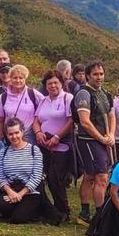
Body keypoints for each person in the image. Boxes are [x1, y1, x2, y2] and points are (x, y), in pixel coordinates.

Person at [72, 61, 116, 225]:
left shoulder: (104, 93)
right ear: (88, 76)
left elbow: (111, 116)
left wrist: (111, 134)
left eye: (101, 74)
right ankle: (100, 216)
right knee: (101, 177)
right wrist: (101, 138)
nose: (99, 77)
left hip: (102, 140)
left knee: (91, 175)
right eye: (95, 74)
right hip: (89, 141)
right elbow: (84, 122)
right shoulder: (84, 94)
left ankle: (84, 213)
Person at [33, 71, 74, 222]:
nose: (53, 86)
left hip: (61, 146)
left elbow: (71, 121)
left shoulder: (67, 98)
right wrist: (38, 132)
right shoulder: (43, 100)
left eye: (56, 82)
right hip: (44, 145)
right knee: (46, 178)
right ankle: (53, 209)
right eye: (49, 83)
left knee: (56, 179)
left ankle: (63, 210)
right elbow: (36, 119)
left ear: (61, 83)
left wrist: (57, 136)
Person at [0, 118, 47, 223]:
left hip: (30, 191)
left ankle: (32, 210)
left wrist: (20, 194)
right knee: (0, 205)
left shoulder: (34, 151)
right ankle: (21, 209)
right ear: (7, 135)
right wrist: (10, 192)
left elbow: (36, 177)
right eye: (10, 134)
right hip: (12, 189)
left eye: (17, 133)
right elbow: (0, 176)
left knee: (17, 219)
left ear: (22, 132)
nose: (14, 136)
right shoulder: (3, 152)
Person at [0, 64, 42, 142]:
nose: (18, 80)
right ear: (10, 78)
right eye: (15, 78)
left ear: (25, 79)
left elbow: (46, 106)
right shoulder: (3, 97)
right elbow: (0, 121)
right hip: (10, 137)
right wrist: (0, 139)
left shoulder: (33, 93)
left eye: (21, 78)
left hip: (29, 137)